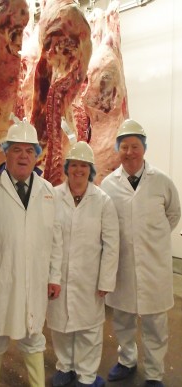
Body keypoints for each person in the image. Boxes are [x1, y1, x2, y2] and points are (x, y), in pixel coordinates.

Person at [0, 116, 62, 387]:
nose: (24, 156)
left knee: (34, 336)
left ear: (37, 156)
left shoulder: (47, 191)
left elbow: (56, 239)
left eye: (30, 151)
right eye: (17, 149)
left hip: (35, 280)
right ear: (6, 153)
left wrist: (54, 276)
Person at [101, 119, 181, 387]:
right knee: (122, 318)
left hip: (153, 265)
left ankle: (155, 373)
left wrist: (151, 240)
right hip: (122, 265)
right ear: (118, 150)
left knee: (155, 324)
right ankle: (127, 361)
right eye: (124, 147)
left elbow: (173, 213)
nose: (130, 152)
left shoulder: (162, 182)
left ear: (143, 148)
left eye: (135, 146)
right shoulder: (108, 185)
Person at [47, 141, 119, 387]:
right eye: (74, 165)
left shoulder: (103, 201)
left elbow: (111, 244)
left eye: (84, 166)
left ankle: (87, 375)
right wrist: (49, 275)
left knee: (89, 328)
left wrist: (107, 280)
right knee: (60, 325)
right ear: (67, 168)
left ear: (91, 170)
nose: (78, 170)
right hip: (58, 275)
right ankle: (65, 366)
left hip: (90, 276)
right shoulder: (53, 196)